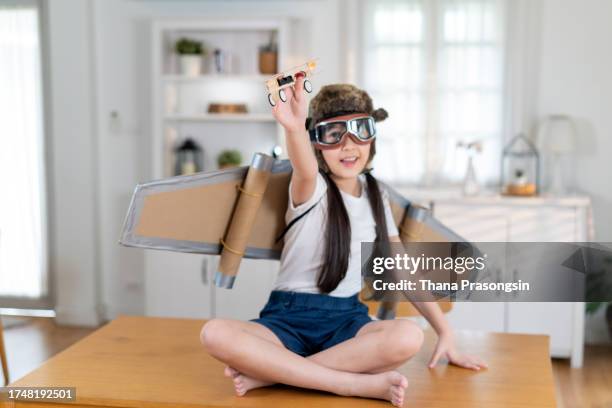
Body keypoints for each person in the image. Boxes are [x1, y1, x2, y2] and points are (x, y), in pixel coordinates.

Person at [200, 76, 487, 406]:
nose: (349, 145)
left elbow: (402, 268)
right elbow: (303, 165)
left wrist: (445, 332)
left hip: (347, 321)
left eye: (360, 131)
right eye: (333, 135)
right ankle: (348, 384)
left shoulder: (376, 193)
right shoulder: (311, 186)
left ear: (372, 138)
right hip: (287, 318)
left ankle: (274, 375)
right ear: (317, 143)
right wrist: (294, 128)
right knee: (215, 333)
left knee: (408, 336)